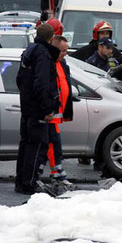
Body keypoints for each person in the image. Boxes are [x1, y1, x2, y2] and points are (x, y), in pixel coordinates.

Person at [15, 24, 60, 194]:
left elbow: (20, 79)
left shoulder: (29, 51)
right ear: (51, 38)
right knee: (37, 145)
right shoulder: (42, 54)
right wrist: (47, 108)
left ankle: (21, 181)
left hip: (27, 107)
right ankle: (30, 182)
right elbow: (42, 83)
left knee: (26, 145)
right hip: (37, 109)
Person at [38, 35, 75, 190]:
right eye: (63, 51)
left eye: (67, 50)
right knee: (49, 146)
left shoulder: (62, 63)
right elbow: (46, 88)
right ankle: (51, 176)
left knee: (52, 146)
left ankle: (53, 175)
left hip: (55, 116)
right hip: (49, 115)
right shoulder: (49, 64)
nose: (66, 53)